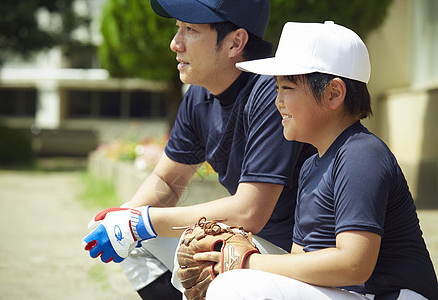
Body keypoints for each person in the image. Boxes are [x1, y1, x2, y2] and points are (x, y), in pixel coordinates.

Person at [83, 1, 315, 299]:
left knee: (194, 247)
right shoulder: (199, 95)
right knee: (125, 228)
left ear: (236, 42)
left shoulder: (272, 91)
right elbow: (168, 180)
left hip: (293, 258)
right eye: (178, 28)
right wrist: (125, 220)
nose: (174, 44)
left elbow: (249, 211)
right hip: (247, 242)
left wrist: (140, 223)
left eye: (190, 29)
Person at [192, 21, 438, 300]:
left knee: (234, 286)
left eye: (287, 88)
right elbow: (300, 259)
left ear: (334, 93)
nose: (278, 102)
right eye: (277, 89)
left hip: (393, 295)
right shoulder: (310, 166)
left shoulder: (361, 153)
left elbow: (354, 264)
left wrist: (247, 262)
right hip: (348, 294)